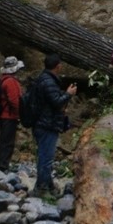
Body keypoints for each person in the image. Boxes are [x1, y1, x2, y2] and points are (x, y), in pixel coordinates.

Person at [32, 53, 76, 196]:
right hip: (47, 124)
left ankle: (48, 185)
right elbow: (56, 102)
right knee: (46, 157)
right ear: (58, 66)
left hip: (42, 122)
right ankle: (42, 188)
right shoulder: (49, 82)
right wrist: (68, 94)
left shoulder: (43, 79)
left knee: (45, 156)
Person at [0, 56, 24, 172]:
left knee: (5, 140)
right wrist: (20, 113)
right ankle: (3, 166)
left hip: (4, 115)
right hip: (9, 116)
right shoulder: (10, 82)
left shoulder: (3, 80)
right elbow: (14, 100)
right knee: (8, 142)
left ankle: (3, 164)